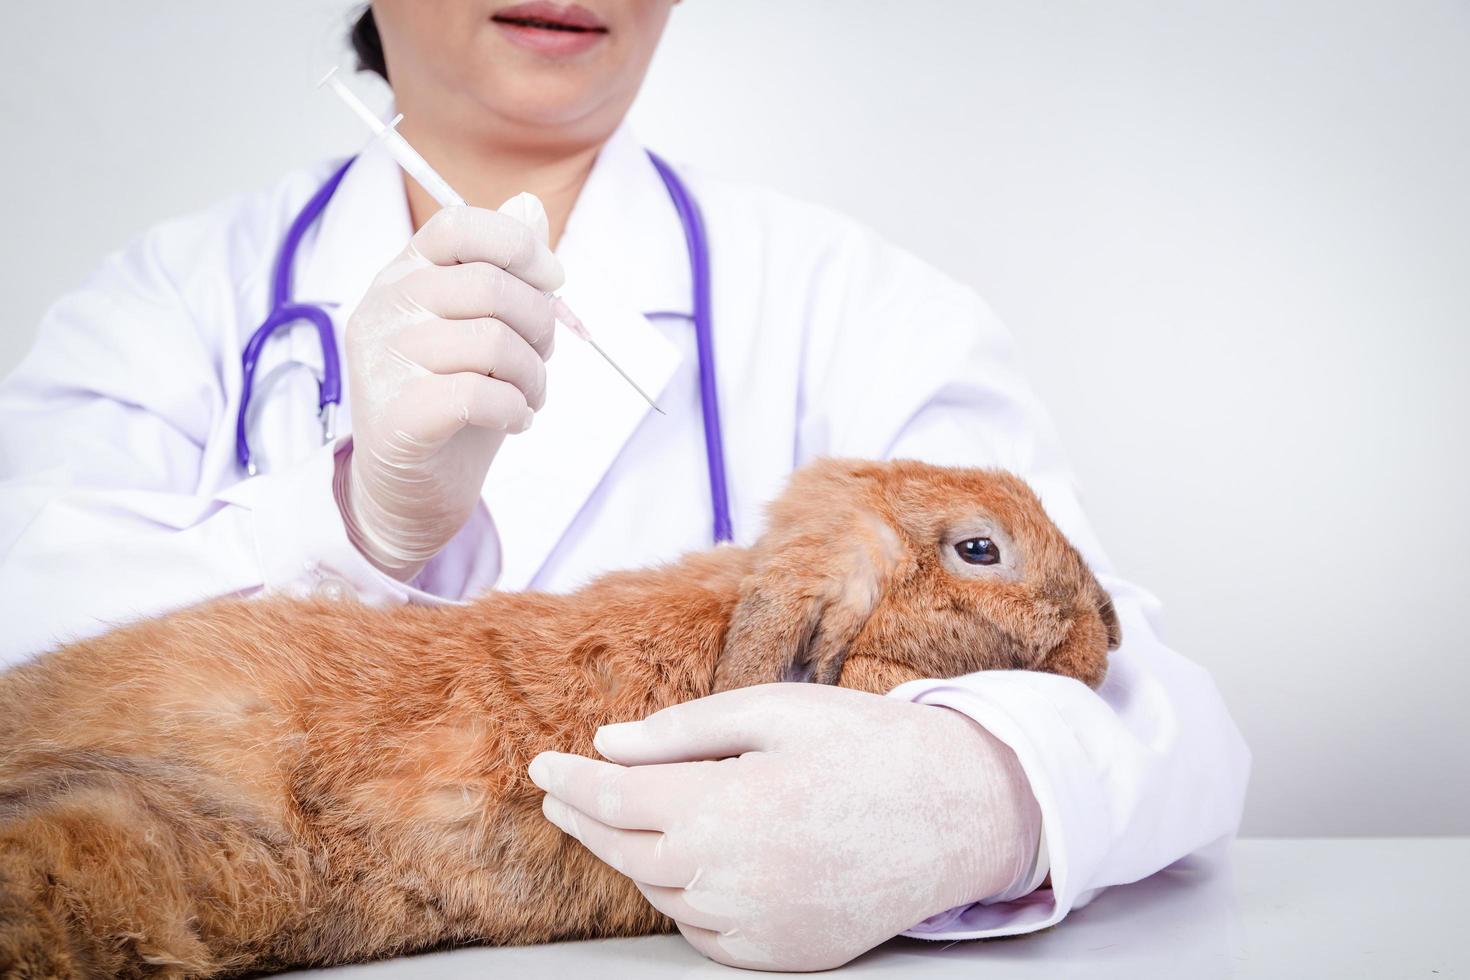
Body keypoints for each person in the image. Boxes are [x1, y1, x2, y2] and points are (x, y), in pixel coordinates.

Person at [0, 0, 1249, 971]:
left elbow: (1157, 706)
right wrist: (350, 516)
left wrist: (987, 794)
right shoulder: (165, 304)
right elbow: (27, 650)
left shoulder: (847, 299)